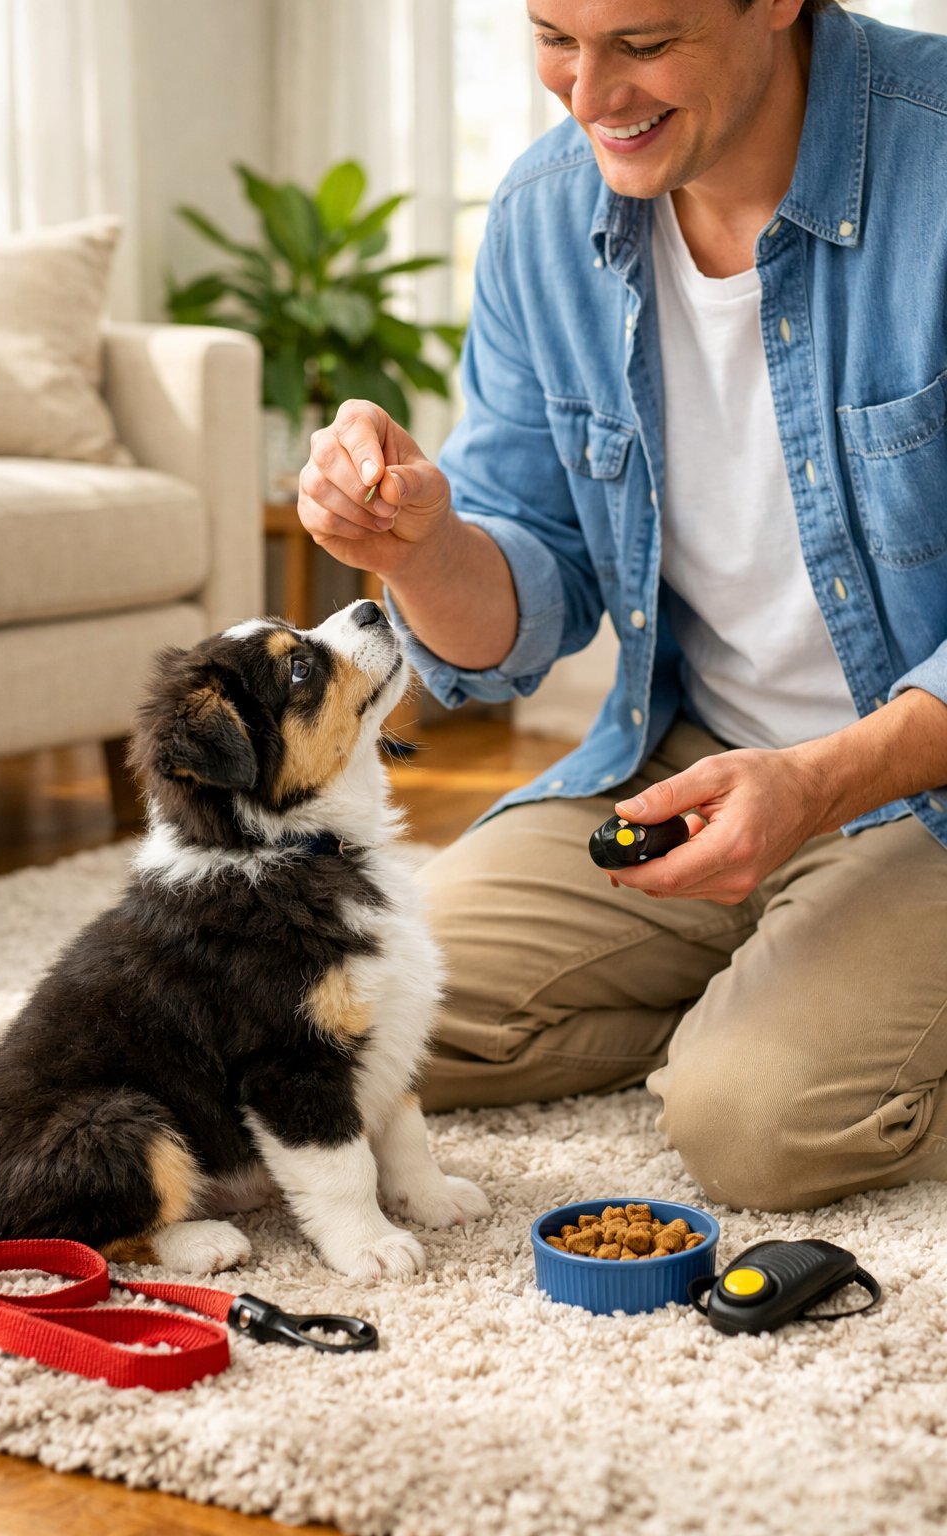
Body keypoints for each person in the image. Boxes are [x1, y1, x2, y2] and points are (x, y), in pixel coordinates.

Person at [295, 0, 947, 1213]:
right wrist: (424, 543)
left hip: (922, 782)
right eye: (554, 36)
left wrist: (816, 784)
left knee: (754, 1125)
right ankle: (768, 1000)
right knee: (340, 1017)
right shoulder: (546, 214)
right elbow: (518, 607)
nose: (591, 94)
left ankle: (776, 1034)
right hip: (685, 757)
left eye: (643, 44)